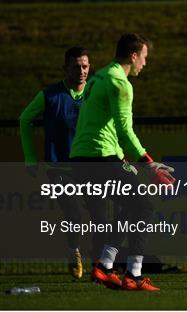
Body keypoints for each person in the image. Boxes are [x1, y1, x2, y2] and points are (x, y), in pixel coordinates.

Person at [70, 33, 175, 291]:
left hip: (82, 159)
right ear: (133, 55)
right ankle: (134, 275)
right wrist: (148, 163)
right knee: (144, 207)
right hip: (99, 158)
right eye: (144, 58)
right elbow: (124, 129)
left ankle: (105, 267)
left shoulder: (99, 77)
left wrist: (121, 154)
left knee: (129, 208)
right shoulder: (120, 83)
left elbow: (99, 124)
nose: (145, 64)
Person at [19, 47, 91, 280]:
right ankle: (75, 252)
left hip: (91, 165)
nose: (81, 71)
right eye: (76, 66)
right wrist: (31, 158)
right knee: (74, 213)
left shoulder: (95, 93)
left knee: (107, 212)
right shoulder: (49, 96)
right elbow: (24, 120)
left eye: (85, 66)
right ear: (65, 68)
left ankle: (106, 263)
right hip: (59, 168)